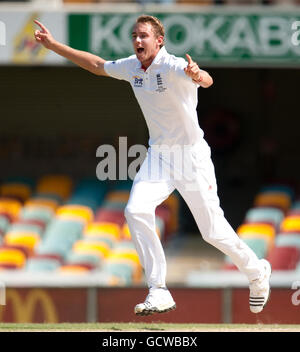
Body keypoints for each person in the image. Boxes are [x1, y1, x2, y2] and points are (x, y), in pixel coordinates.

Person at [34, 15, 271, 316]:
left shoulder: (174, 67)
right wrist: (54, 45)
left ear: (159, 41)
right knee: (135, 210)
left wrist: (198, 74)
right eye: (134, 35)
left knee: (212, 231)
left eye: (144, 36)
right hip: (158, 155)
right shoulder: (132, 67)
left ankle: (257, 272)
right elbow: (96, 65)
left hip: (191, 157)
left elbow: (207, 80)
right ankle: (158, 290)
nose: (137, 41)